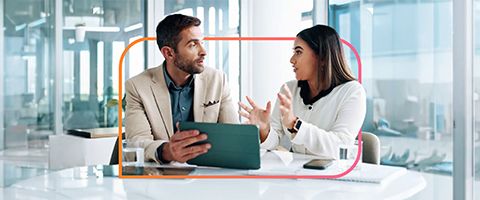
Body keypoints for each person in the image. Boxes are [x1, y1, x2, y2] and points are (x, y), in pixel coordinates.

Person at [239, 25, 366, 159]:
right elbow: (275, 141)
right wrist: (264, 128)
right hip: (298, 174)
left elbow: (341, 146)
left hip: (334, 175)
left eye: (298, 52)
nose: (292, 60)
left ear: (322, 57)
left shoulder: (352, 91)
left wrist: (296, 124)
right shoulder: (288, 89)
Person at [125, 14, 238, 164]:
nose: (203, 51)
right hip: (161, 179)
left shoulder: (218, 80)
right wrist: (168, 151)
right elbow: (137, 144)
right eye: (193, 45)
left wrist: (260, 132)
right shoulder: (138, 86)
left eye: (202, 42)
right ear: (169, 53)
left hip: (207, 174)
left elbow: (233, 138)